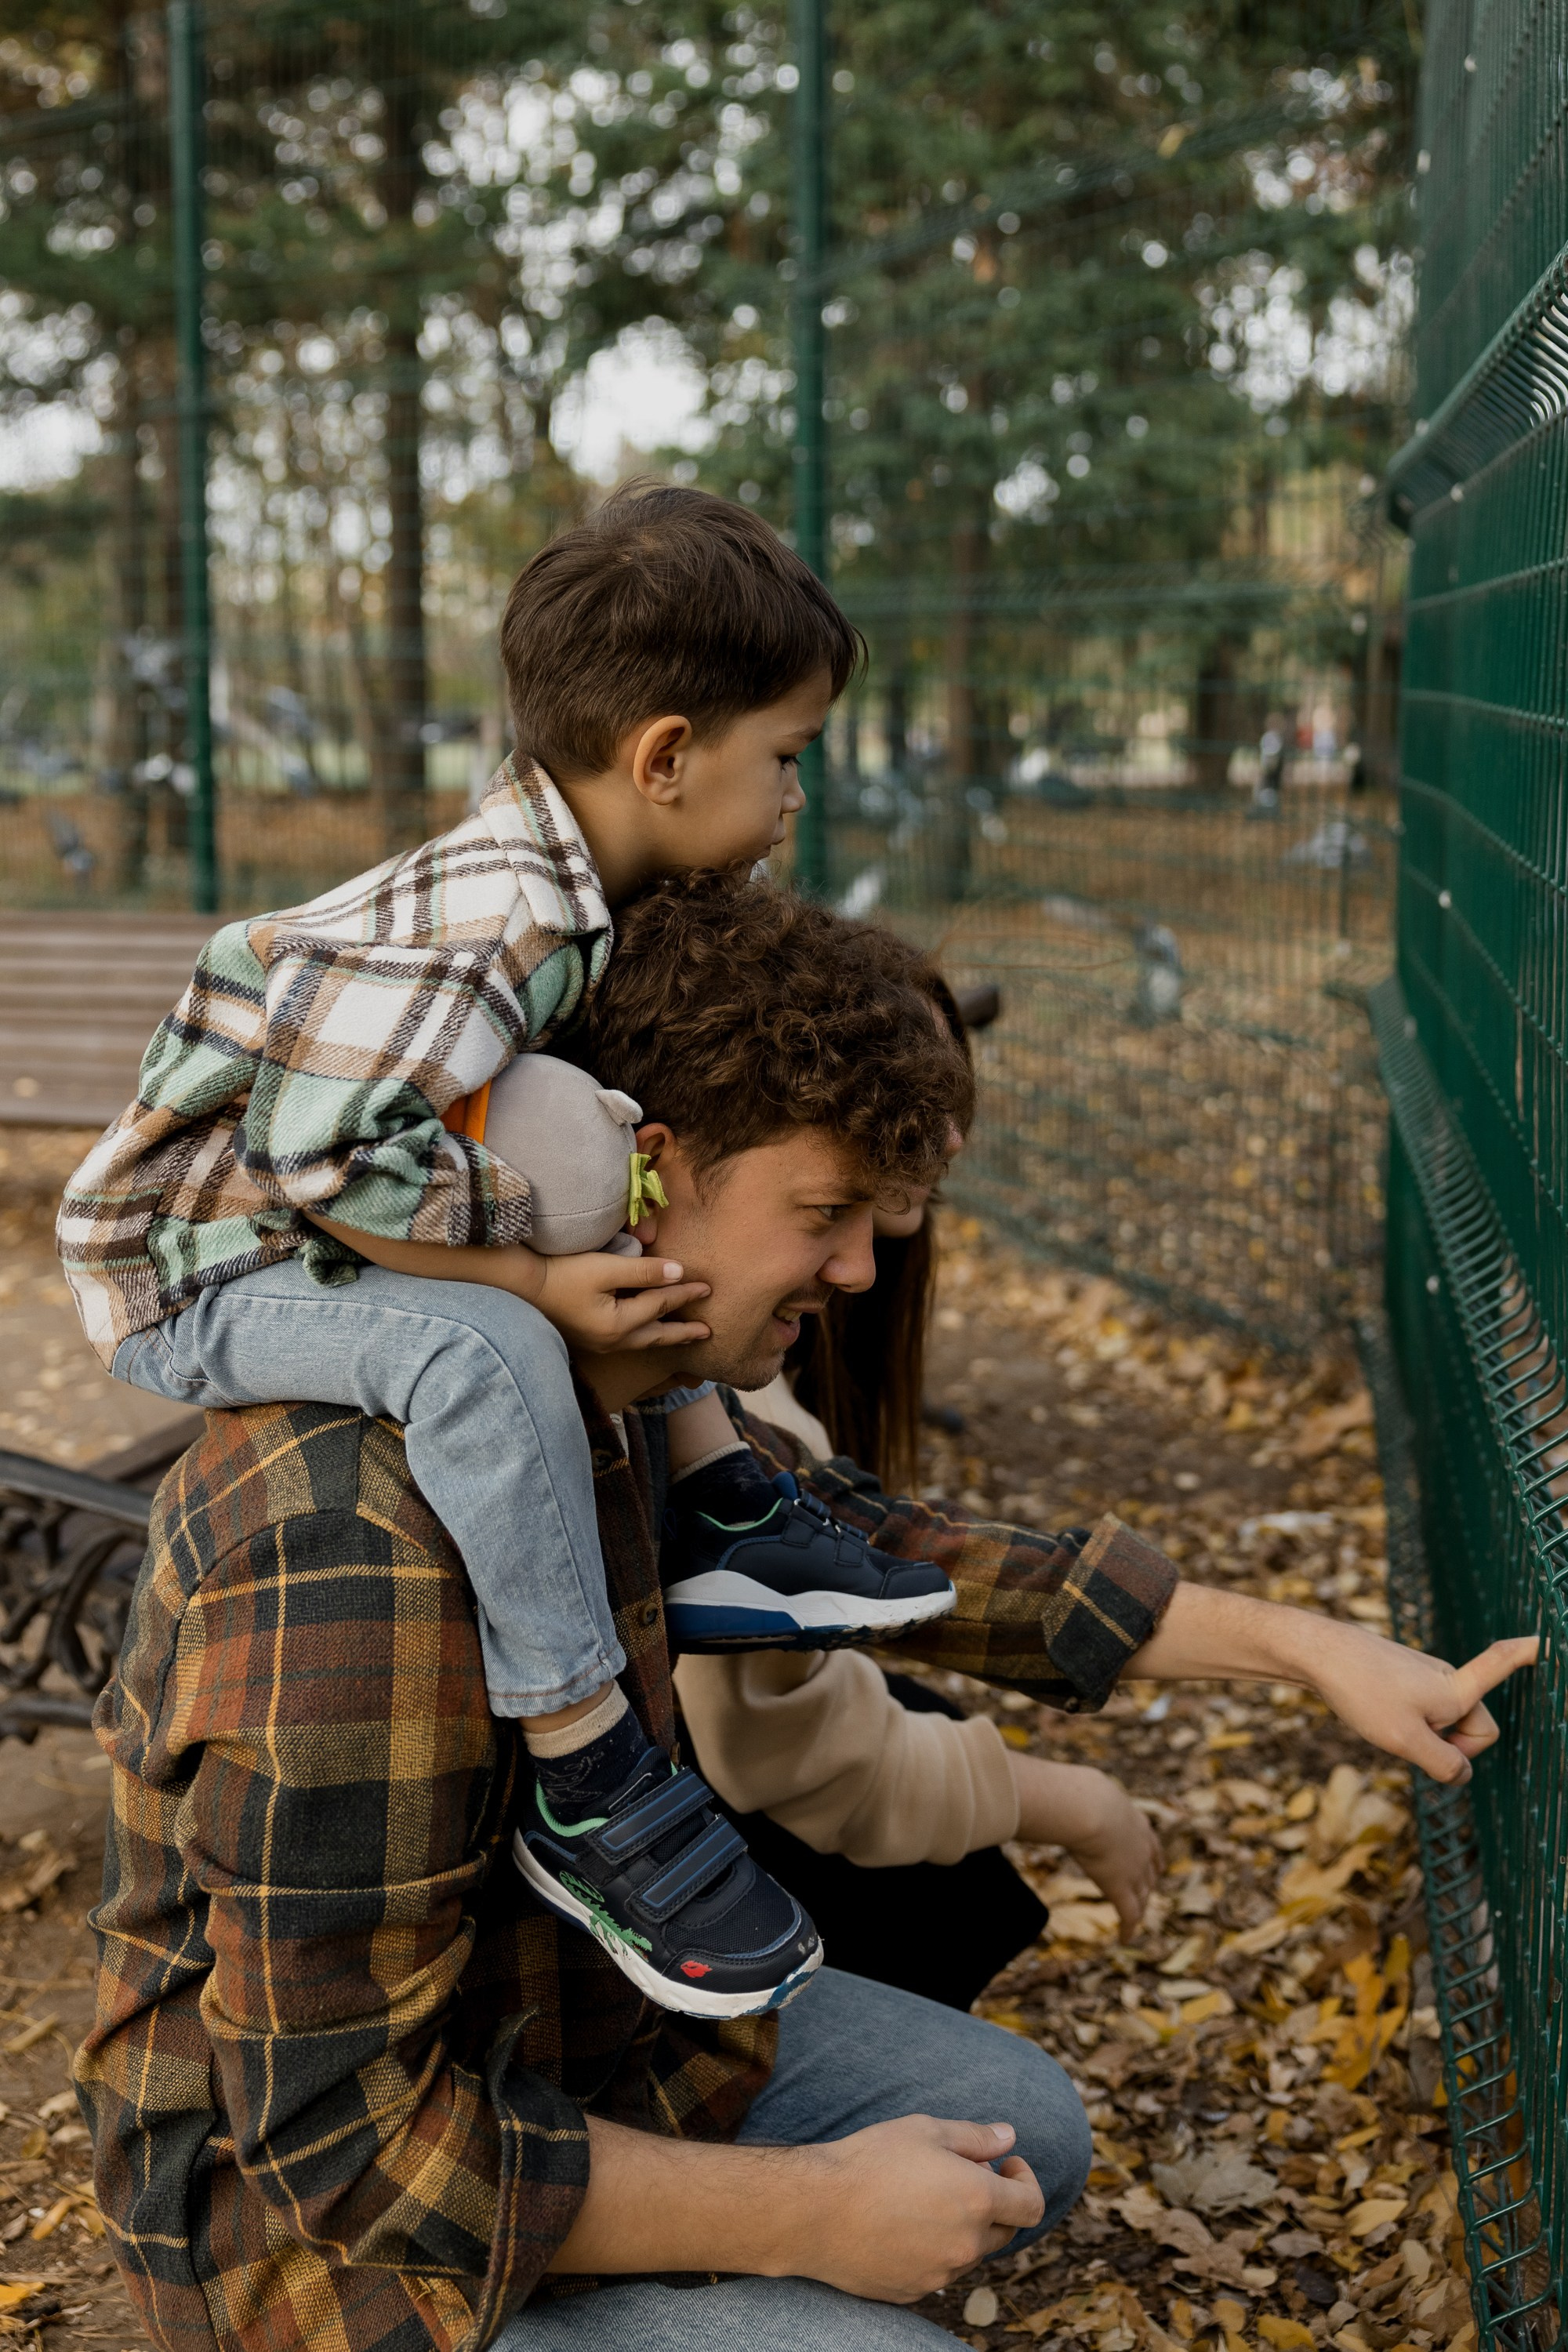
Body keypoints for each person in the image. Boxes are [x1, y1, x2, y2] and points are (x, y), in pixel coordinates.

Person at [77, 873, 1539, 2352]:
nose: (858, 1272)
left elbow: (896, 1552)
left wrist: (1310, 1648)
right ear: (638, 1176)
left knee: (1020, 2130)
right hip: (312, 2250)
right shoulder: (353, 1532)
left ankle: (650, 2253)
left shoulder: (629, 1392)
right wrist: (803, 2213)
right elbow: (335, 2141)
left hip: (550, 2033)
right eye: (826, 1214)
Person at [55, 485, 956, 2023]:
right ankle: (587, 1769)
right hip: (190, 1273)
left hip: (289, 1223)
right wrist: (533, 1279)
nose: (799, 796)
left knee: (593, 1149)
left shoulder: (568, 885)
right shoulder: (507, 917)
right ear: (666, 756)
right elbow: (321, 1155)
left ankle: (719, 1499)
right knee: (475, 1353)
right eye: (788, 757)